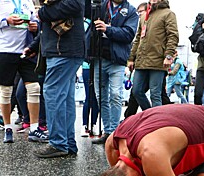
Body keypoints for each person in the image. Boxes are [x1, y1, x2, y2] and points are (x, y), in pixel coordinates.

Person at [0, 0, 46, 144]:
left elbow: (34, 20)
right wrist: (6, 21)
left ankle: (34, 128)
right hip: (5, 51)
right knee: (6, 91)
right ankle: (7, 127)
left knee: (34, 88)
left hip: (26, 50)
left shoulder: (27, 1)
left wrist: (34, 25)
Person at [28, 0, 84, 157]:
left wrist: (43, 12)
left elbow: (75, 5)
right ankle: (67, 142)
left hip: (62, 49)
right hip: (65, 49)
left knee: (53, 93)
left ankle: (58, 142)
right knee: (64, 97)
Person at [90, 0, 138, 145]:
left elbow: (129, 34)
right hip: (99, 57)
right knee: (101, 96)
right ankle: (108, 130)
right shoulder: (100, 6)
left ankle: (116, 132)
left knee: (116, 95)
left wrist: (107, 29)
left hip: (117, 60)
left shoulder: (131, 11)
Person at [128, 0, 179, 110]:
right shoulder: (144, 16)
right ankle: (151, 115)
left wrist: (168, 56)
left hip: (158, 61)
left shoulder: (168, 13)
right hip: (141, 61)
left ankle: (156, 122)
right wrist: (131, 58)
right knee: (136, 91)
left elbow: (173, 36)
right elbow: (137, 39)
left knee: (155, 94)